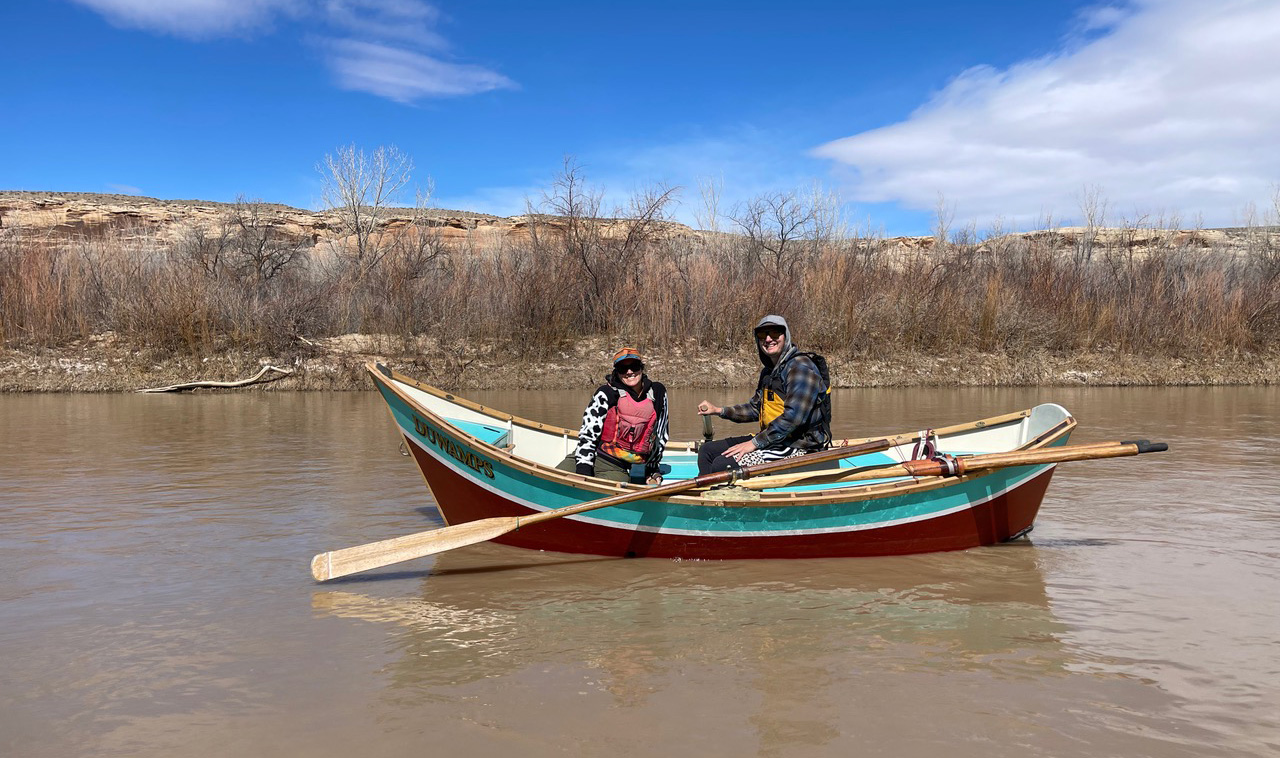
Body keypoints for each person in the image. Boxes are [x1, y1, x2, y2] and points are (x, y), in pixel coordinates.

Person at [696, 315, 831, 475]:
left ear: (785, 336)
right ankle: (706, 494)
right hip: (776, 438)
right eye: (762, 335)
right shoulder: (769, 372)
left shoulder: (801, 368)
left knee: (723, 464)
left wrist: (754, 443)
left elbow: (793, 418)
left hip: (799, 445)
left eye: (775, 333)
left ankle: (725, 495)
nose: (768, 339)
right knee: (707, 451)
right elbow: (755, 409)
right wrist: (719, 411)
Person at [557, 347, 669, 485]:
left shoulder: (657, 392)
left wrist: (652, 470)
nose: (629, 372)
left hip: (615, 466)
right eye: (623, 368)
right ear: (617, 372)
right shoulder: (606, 393)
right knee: (555, 480)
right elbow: (588, 434)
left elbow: (660, 435)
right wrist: (583, 472)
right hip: (588, 456)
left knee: (611, 487)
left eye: (634, 366)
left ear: (641, 368)